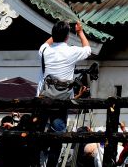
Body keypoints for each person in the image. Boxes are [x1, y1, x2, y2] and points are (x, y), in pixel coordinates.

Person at [38, 20, 91, 167]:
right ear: (68, 36)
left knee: (37, 134)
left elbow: (45, 44)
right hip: (61, 100)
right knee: (58, 135)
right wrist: (80, 32)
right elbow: (87, 49)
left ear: (53, 35)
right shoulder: (72, 51)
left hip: (45, 98)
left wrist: (57, 32)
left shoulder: (44, 51)